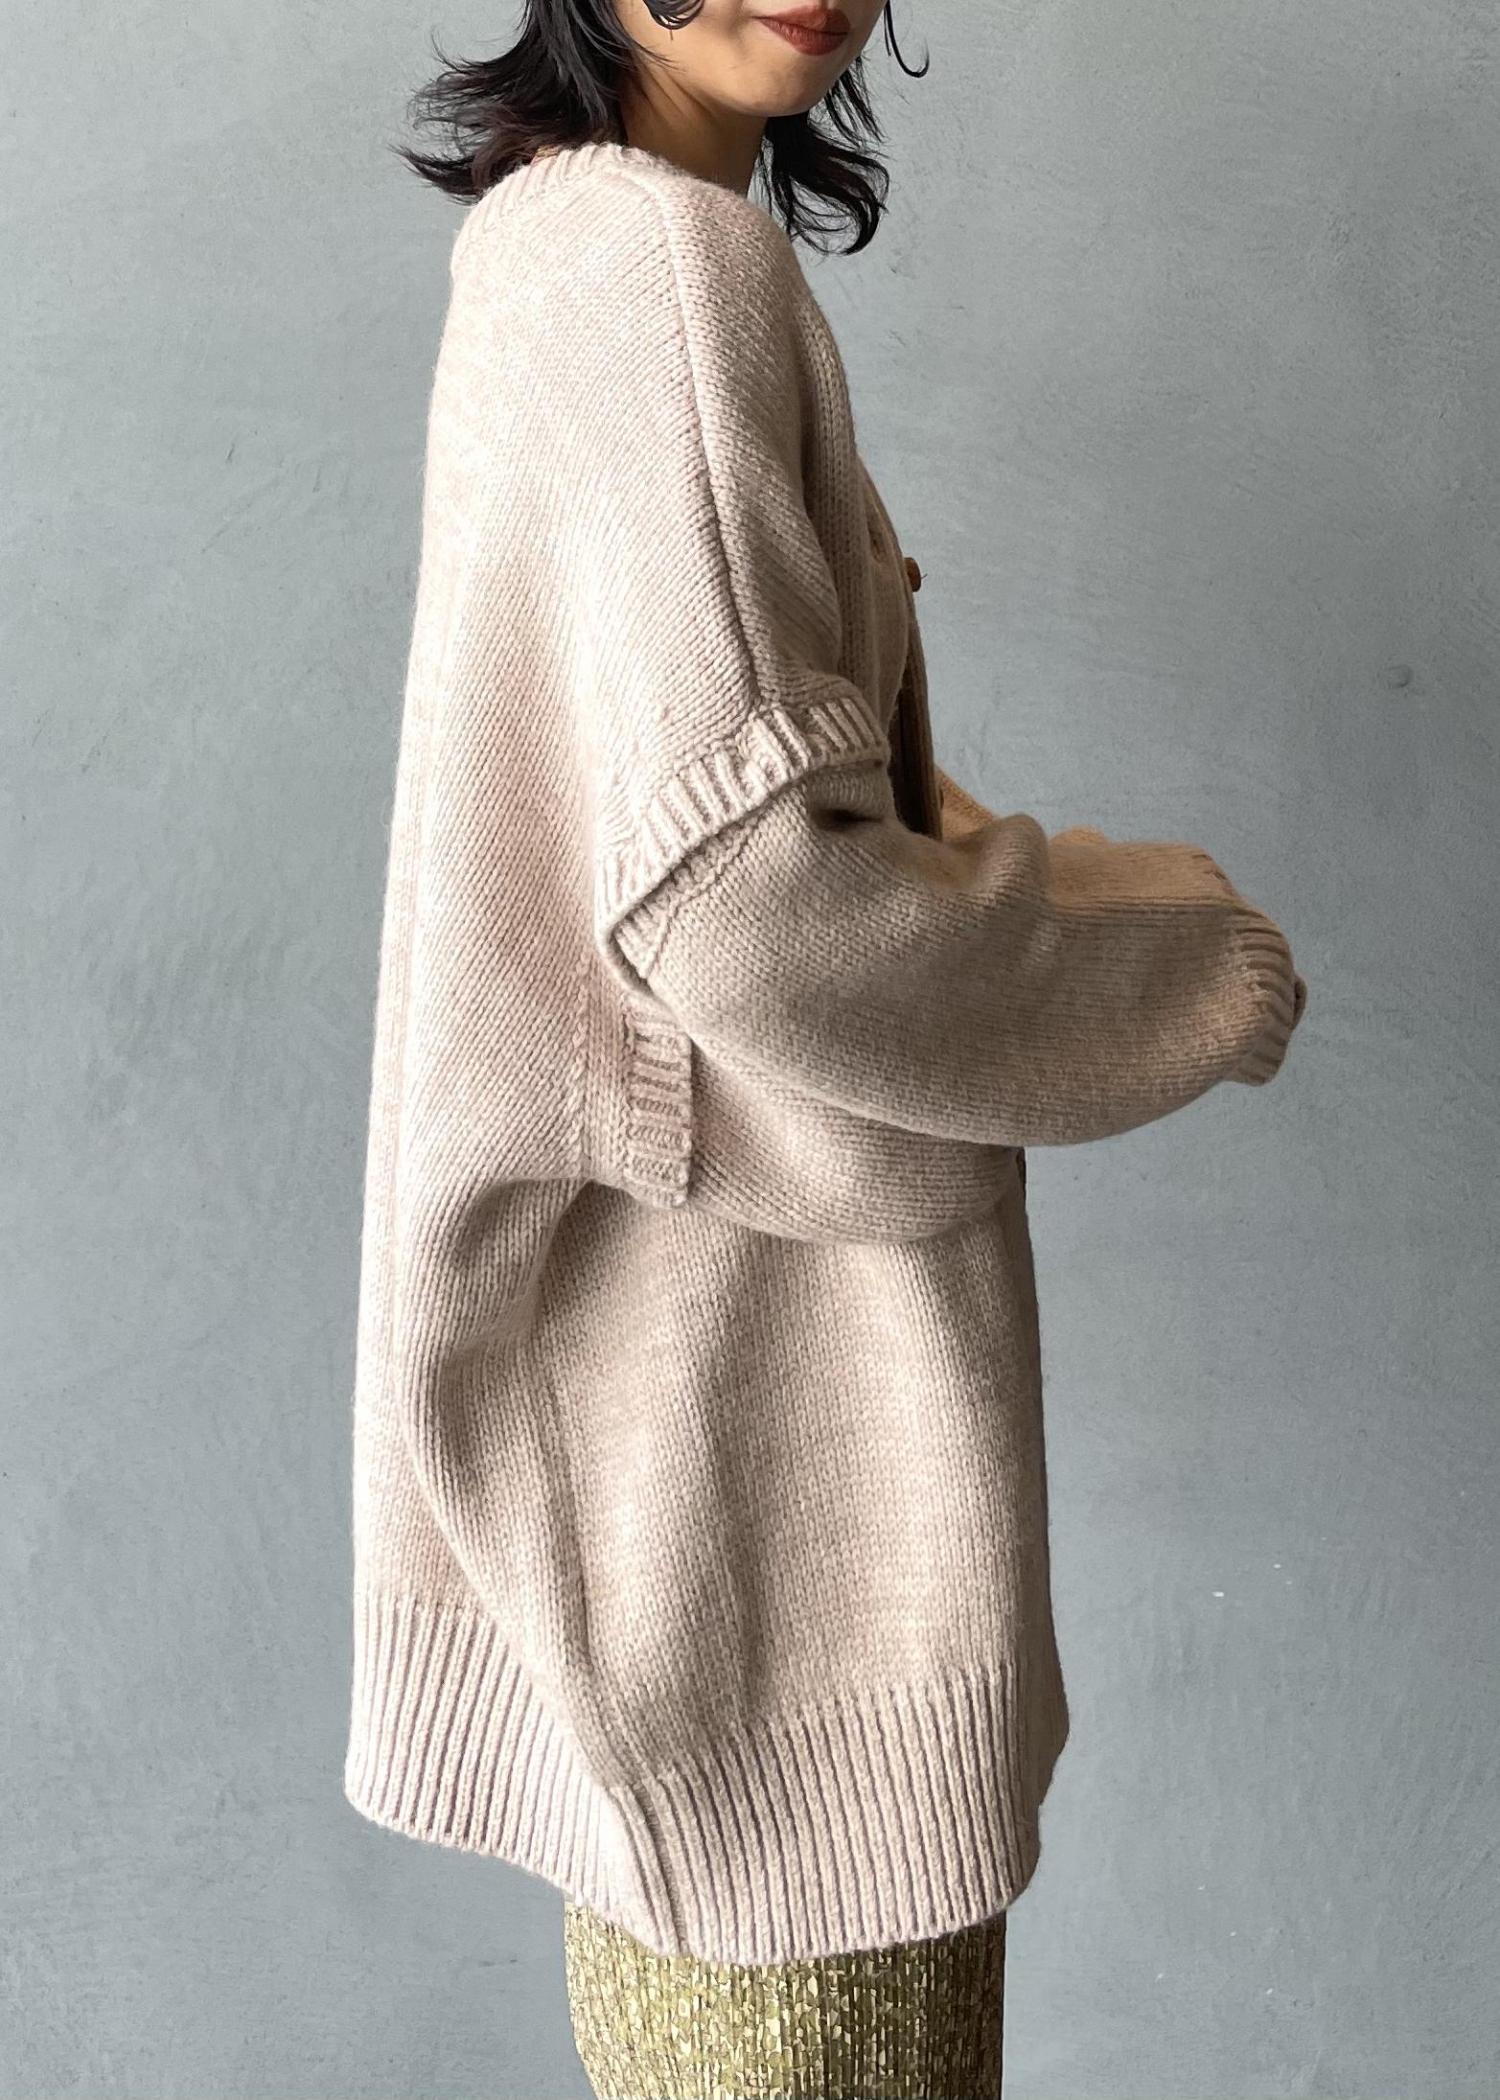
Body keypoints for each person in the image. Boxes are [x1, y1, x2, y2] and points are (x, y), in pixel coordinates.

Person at [345, 4, 1308, 2093]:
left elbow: (712, 818)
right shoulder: (663, 271)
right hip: (775, 1554)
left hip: (667, 1521)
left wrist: (976, 859)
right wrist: (1185, 953)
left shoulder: (552, 243)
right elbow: (746, 898)